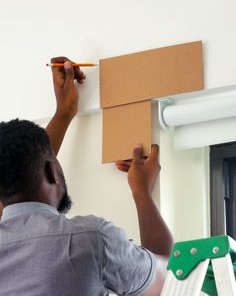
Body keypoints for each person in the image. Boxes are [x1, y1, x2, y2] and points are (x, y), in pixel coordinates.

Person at [0, 57, 173, 295]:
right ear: (52, 171)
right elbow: (169, 277)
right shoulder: (90, 239)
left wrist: (64, 113)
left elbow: (23, 169)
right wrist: (141, 190)